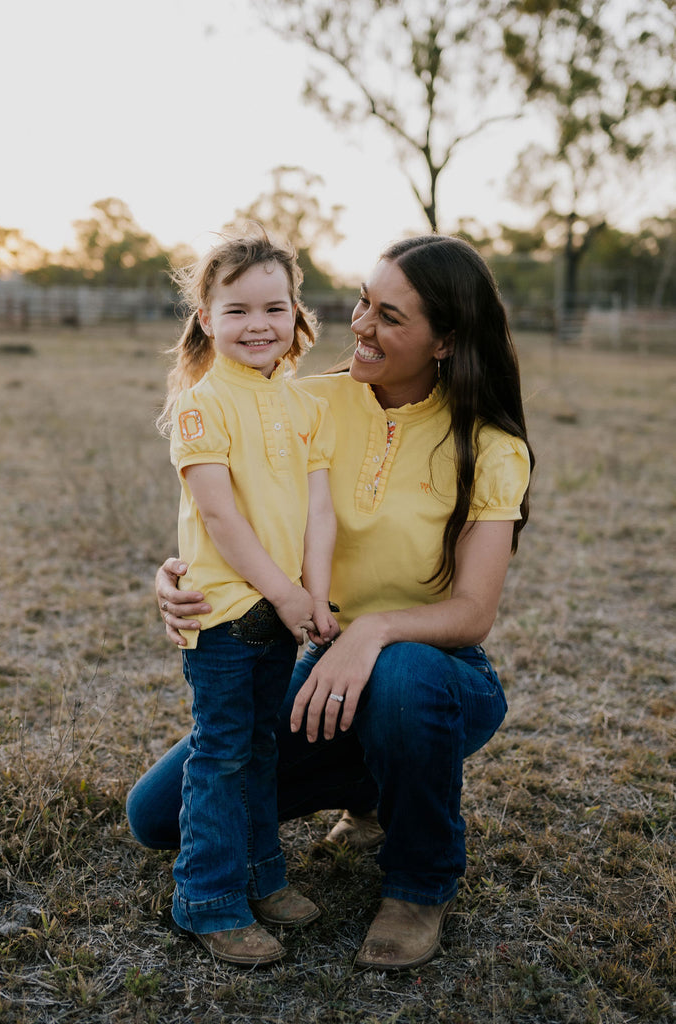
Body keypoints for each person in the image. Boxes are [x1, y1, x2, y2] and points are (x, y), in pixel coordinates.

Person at [128, 234, 534, 971]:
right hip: (312, 659)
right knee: (156, 817)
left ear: (444, 341)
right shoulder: (304, 401)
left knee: (402, 680)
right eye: (361, 302)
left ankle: (418, 882)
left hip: (435, 678)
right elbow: (225, 510)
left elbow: (473, 611)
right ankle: (372, 784)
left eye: (389, 317)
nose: (361, 326)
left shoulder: (489, 445)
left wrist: (370, 632)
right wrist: (175, 575)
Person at [155, 230, 339, 966]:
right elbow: (221, 517)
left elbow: (319, 510)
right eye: (237, 309)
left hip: (288, 609)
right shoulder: (199, 407)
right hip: (227, 615)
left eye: (274, 306)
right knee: (223, 753)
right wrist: (288, 595)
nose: (257, 324)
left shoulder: (304, 407)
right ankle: (207, 897)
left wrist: (315, 597)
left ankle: (263, 875)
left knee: (263, 748)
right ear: (205, 316)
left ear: (296, 313)